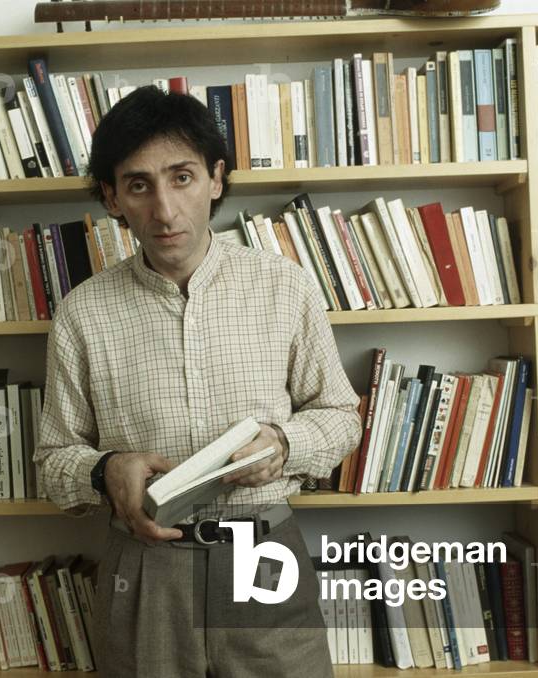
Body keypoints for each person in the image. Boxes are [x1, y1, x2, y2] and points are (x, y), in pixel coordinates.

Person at [34, 85, 361, 677]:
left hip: (263, 559)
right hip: (146, 568)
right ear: (111, 197)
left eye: (181, 177)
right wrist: (103, 471)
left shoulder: (286, 286)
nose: (164, 210)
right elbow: (53, 462)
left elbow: (341, 415)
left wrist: (284, 444)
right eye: (138, 185)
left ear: (215, 178)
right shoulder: (81, 313)